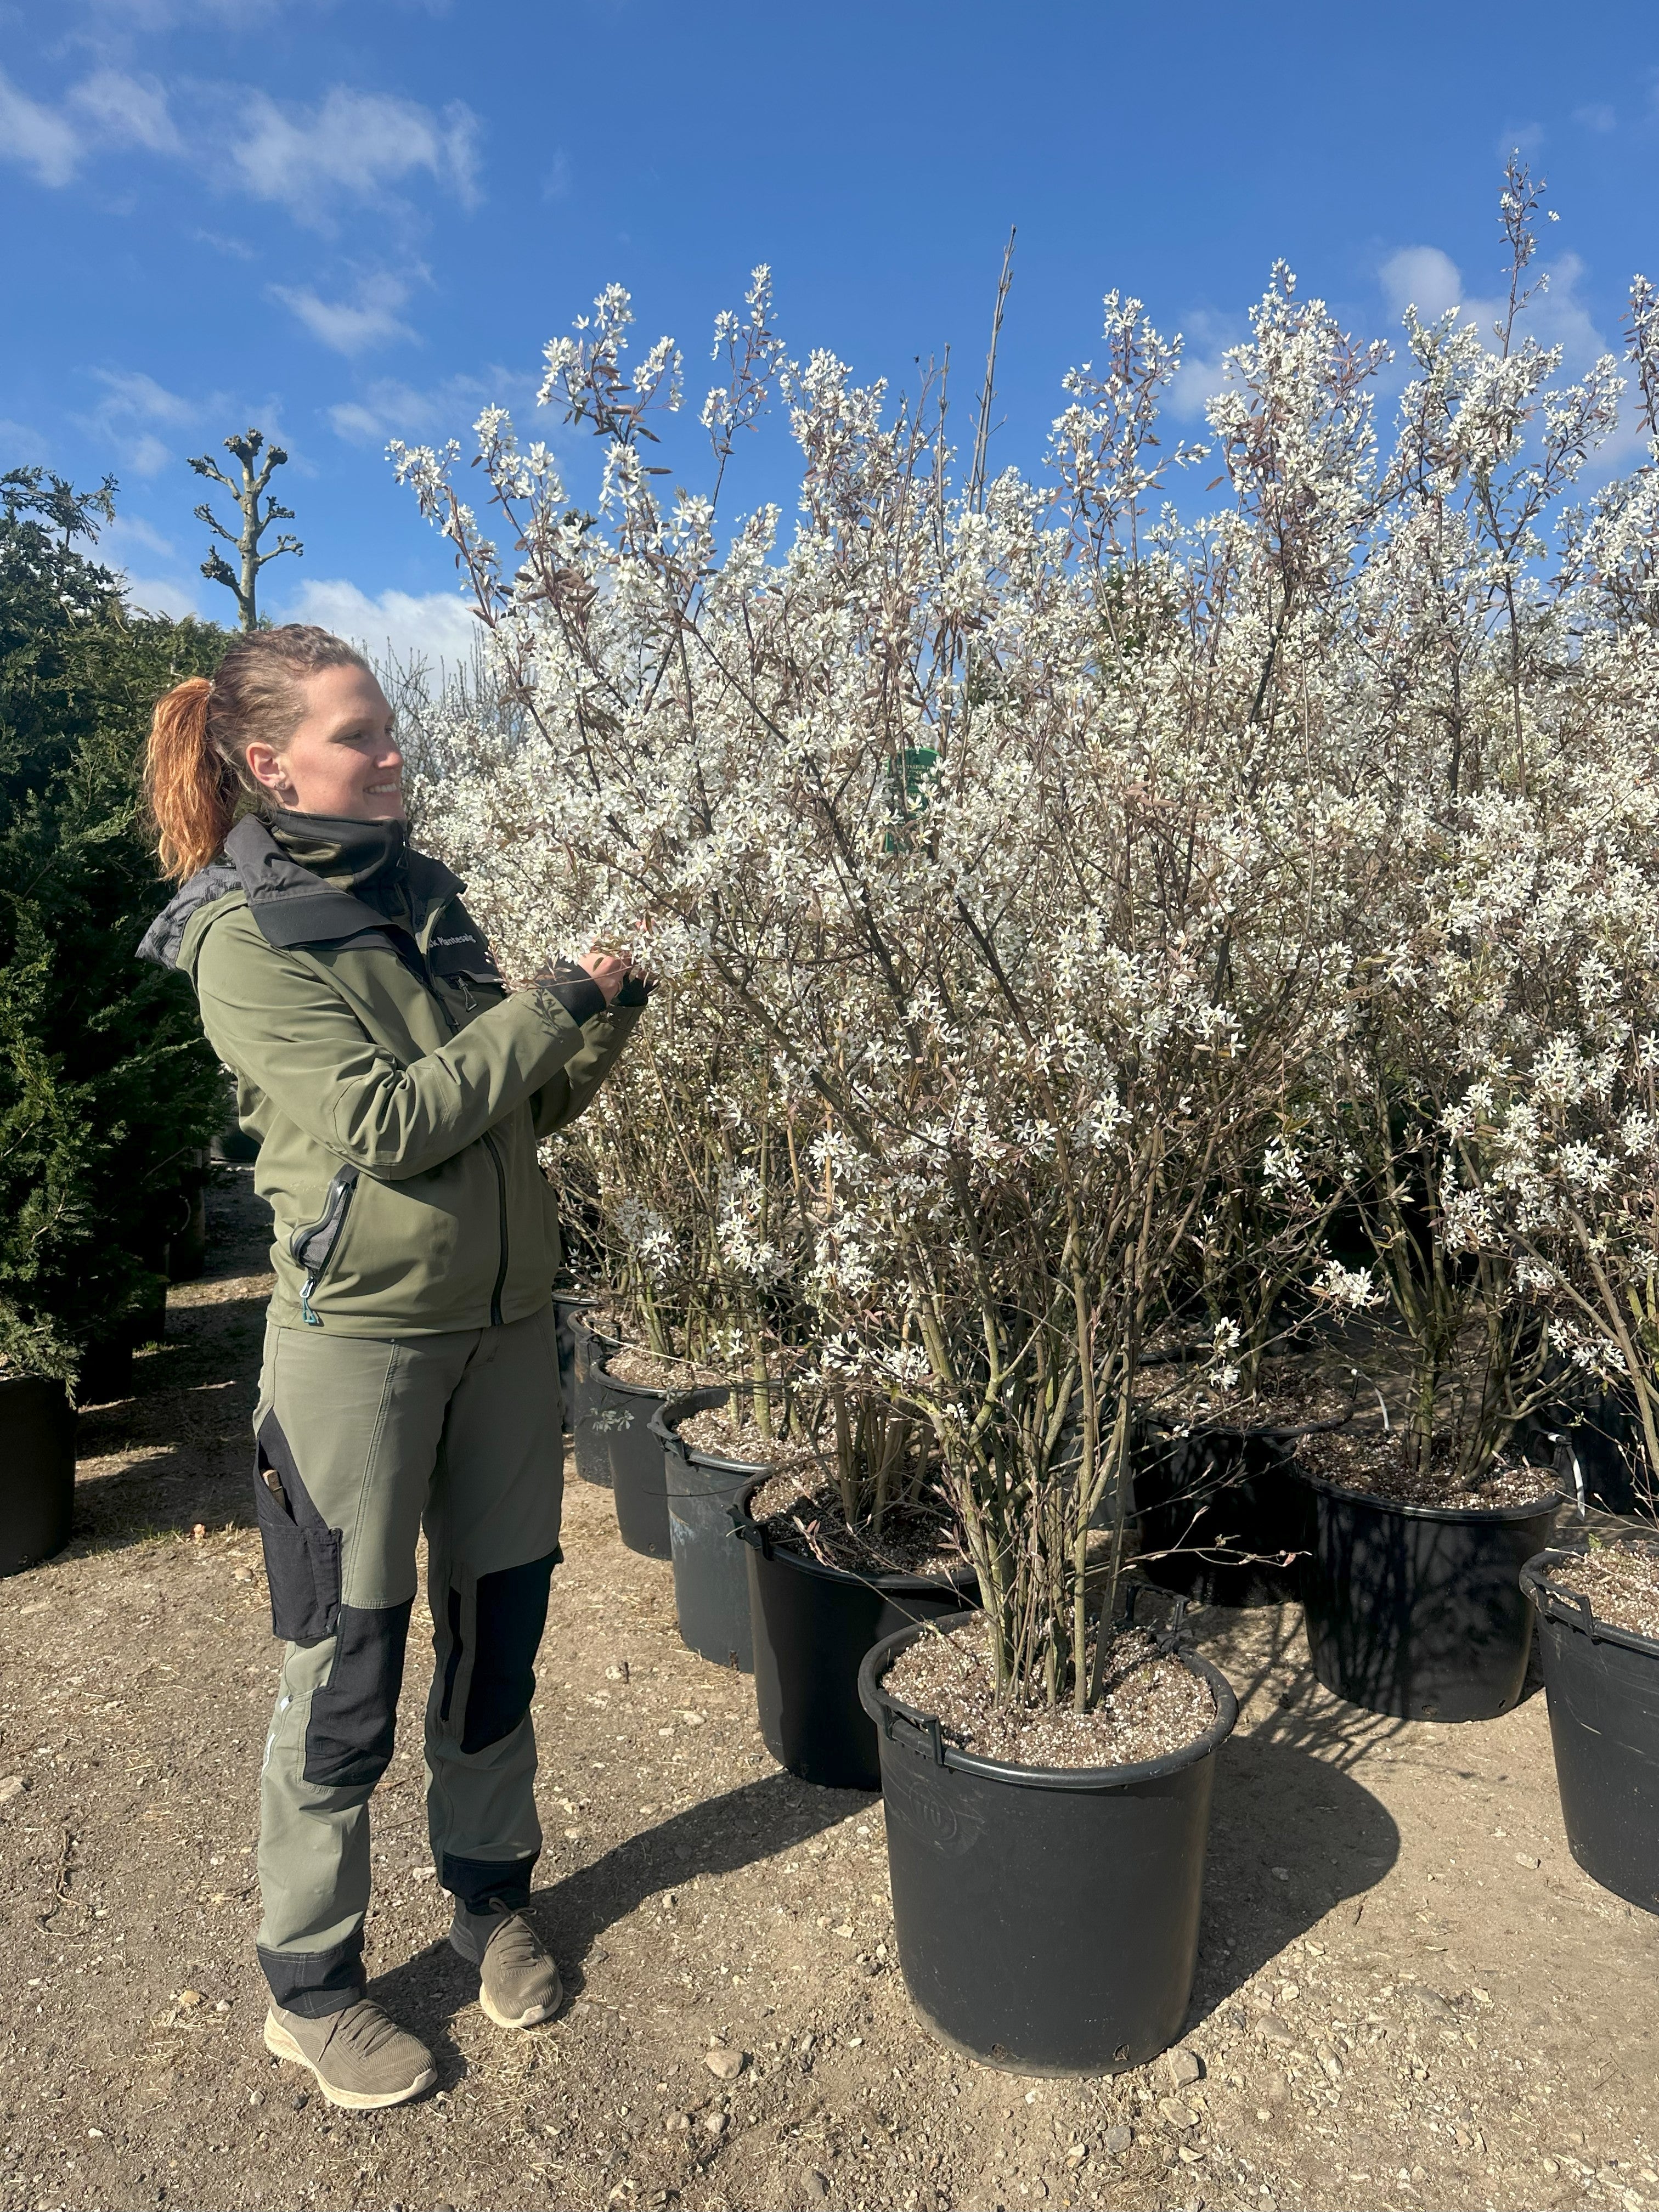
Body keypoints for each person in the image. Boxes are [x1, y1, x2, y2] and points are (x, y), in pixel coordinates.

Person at [139, 624, 646, 2110]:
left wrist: (597, 1030)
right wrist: (545, 1007)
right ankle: (310, 1982)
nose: (395, 753)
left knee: (501, 1633)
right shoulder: (238, 935)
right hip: (355, 1350)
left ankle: (491, 1895)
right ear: (269, 761)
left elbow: (508, 1114)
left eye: (390, 728)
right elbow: (398, 1122)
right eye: (364, 734)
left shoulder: (422, 895)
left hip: (501, 1333)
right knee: (347, 1664)